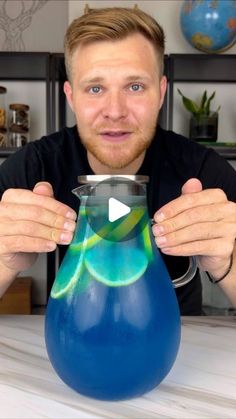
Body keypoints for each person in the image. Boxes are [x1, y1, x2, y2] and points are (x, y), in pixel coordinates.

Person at [0, 7, 235, 315]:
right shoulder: (34, 167)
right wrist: (4, 261)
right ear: (71, 97)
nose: (115, 111)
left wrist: (226, 263)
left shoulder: (202, 171)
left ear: (161, 92)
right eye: (95, 88)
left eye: (135, 86)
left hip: (180, 339)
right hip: (77, 332)